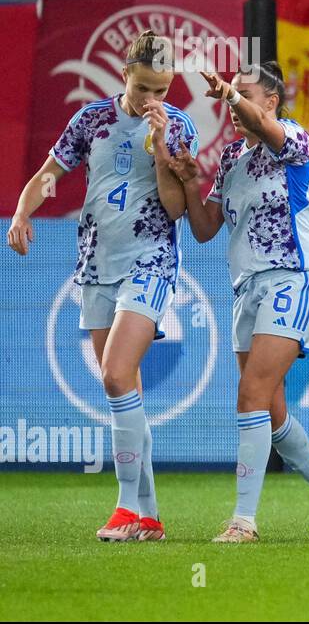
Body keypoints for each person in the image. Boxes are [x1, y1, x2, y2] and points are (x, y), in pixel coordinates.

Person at [7, 30, 196, 542]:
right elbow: (50, 174)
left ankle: (123, 506)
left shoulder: (178, 128)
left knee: (115, 376)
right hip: (95, 266)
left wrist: (160, 150)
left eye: (161, 89)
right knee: (123, 390)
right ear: (124, 75)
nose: (152, 100)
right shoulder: (91, 120)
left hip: (150, 264)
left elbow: (178, 210)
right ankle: (149, 518)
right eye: (143, 88)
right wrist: (24, 212)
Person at [166, 63, 309, 544]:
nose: (232, 102)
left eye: (245, 94)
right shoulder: (232, 156)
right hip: (246, 287)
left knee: (251, 395)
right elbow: (206, 228)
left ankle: (244, 522)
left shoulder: (294, 140)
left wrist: (233, 97)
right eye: (233, 94)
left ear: (270, 102)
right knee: (268, 408)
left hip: (294, 277)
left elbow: (268, 129)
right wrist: (191, 181)